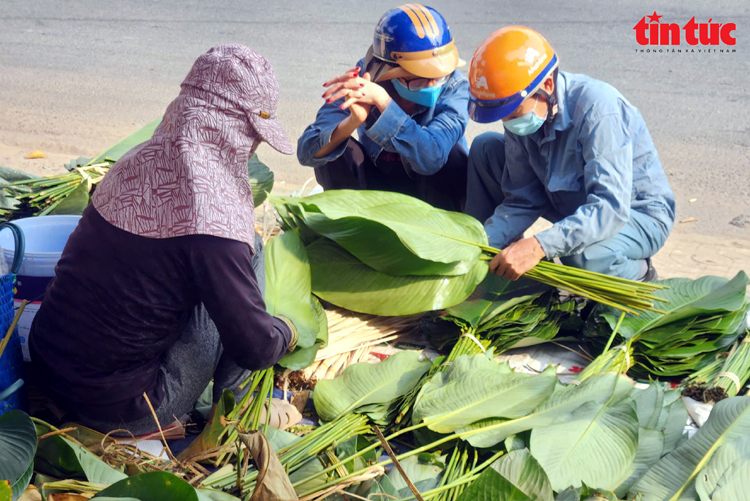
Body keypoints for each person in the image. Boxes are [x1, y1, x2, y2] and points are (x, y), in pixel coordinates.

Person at [29, 45, 298, 435]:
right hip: (124, 407)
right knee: (250, 259)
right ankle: (235, 415)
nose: (254, 147)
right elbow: (254, 349)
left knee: (227, 269)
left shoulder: (132, 165)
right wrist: (284, 331)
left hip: (48, 366)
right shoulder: (216, 230)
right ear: (231, 131)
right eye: (252, 134)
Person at [465, 26, 675, 282]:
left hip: (633, 214)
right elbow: (523, 199)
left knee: (579, 258)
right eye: (502, 115)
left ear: (548, 85)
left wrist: (538, 246)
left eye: (513, 112)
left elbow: (609, 207)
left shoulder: (598, 109)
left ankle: (642, 275)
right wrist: (480, 245)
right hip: (571, 202)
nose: (508, 122)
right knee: (485, 148)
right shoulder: (521, 114)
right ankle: (492, 270)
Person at [297, 4, 470, 212]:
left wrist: (384, 103)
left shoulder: (455, 87)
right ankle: (354, 231)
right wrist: (352, 121)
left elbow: (431, 158)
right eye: (420, 80)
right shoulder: (361, 80)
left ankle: (444, 236)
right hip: (377, 193)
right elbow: (306, 152)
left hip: (435, 197)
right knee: (338, 149)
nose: (433, 85)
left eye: (439, 76)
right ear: (389, 69)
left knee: (451, 152)